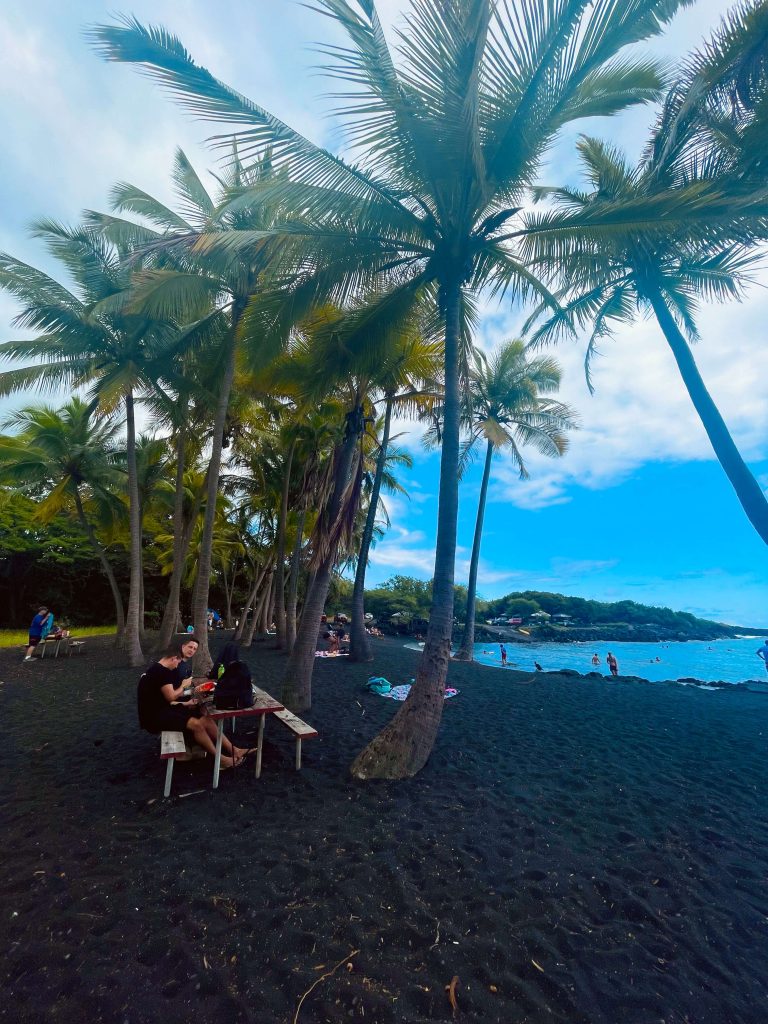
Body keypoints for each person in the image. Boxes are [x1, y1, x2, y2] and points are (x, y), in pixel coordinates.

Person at [137, 642, 252, 769]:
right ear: (173, 658)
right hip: (154, 718)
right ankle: (221, 760)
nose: (177, 666)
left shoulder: (158, 670)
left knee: (206, 719)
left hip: (162, 710)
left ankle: (234, 750)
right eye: (177, 662)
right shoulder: (161, 672)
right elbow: (171, 697)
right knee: (197, 725)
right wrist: (184, 685)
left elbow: (162, 700)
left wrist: (185, 703)